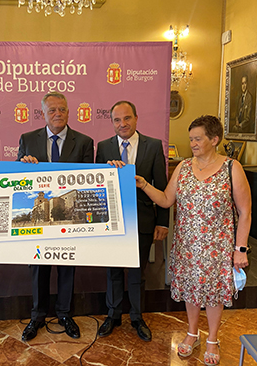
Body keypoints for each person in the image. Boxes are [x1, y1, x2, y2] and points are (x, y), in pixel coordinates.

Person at [135, 115, 251, 365]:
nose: (193, 144)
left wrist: (240, 249)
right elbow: (166, 200)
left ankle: (212, 340)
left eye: (198, 139)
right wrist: (144, 184)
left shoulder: (232, 168)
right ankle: (191, 334)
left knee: (214, 294)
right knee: (191, 291)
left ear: (214, 139)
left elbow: (245, 212)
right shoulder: (184, 167)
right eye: (191, 139)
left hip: (218, 246)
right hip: (187, 245)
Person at [17, 91, 94, 341]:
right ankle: (37, 316)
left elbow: (89, 183)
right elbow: (20, 178)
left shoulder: (84, 141)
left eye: (61, 109)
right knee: (38, 267)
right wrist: (24, 164)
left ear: (68, 112)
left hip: (67, 219)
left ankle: (64, 314)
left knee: (67, 267)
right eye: (52, 110)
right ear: (43, 114)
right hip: (40, 219)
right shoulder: (27, 139)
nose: (57, 114)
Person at [95, 100, 169, 342]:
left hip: (143, 220)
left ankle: (137, 317)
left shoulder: (154, 145)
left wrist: (163, 222)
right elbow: (97, 186)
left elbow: (163, 186)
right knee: (113, 272)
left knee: (138, 273)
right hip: (112, 223)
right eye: (117, 120)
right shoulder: (104, 147)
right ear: (112, 123)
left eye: (127, 118)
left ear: (136, 118)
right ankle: (113, 315)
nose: (122, 124)